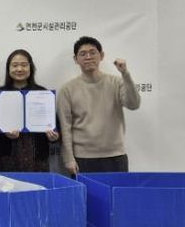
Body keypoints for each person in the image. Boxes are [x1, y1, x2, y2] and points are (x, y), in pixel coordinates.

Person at [57, 36, 141, 174]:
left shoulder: (117, 82)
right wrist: (68, 159)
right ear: (76, 59)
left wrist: (125, 74)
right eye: (83, 54)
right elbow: (65, 127)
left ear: (101, 56)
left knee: (117, 189)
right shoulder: (67, 89)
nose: (88, 57)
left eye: (93, 52)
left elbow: (134, 104)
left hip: (116, 156)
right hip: (82, 158)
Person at [0, 49, 60, 172]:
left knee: (36, 184)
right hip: (6, 156)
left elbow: (54, 125)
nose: (19, 69)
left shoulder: (42, 93)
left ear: (31, 68)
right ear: (8, 68)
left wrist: (54, 137)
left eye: (24, 65)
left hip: (37, 157)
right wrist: (4, 133)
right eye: (15, 65)